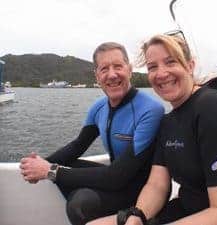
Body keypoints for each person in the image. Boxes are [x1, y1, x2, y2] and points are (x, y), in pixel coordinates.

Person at [87, 34, 217, 225]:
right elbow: (157, 185)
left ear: (190, 66)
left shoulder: (212, 107)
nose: (161, 74)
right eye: (153, 67)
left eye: (170, 62)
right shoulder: (168, 122)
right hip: (190, 212)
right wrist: (137, 215)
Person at [19, 42, 164, 225]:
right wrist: (38, 164)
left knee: (80, 203)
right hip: (117, 179)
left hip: (143, 191)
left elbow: (118, 176)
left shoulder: (150, 110)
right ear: (97, 76)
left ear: (129, 70)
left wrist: (50, 171)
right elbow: (77, 146)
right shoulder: (98, 108)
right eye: (104, 69)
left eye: (118, 66)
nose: (112, 74)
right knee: (65, 166)